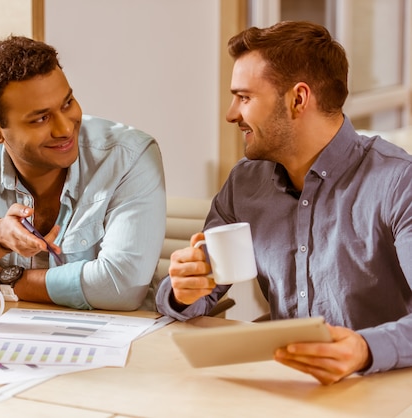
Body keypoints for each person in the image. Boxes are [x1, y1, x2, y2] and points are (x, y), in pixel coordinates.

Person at [156, 21, 412, 385]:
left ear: (298, 99)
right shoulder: (245, 183)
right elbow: (201, 290)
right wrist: (183, 291)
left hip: (385, 386)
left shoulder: (399, 182)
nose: (231, 114)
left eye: (244, 97)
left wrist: (365, 349)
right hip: (287, 386)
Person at [0, 35, 166, 311]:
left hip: (121, 343)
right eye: (40, 118)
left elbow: (120, 288)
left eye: (67, 103)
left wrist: (6, 281)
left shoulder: (129, 156)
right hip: (2, 340)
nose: (65, 128)